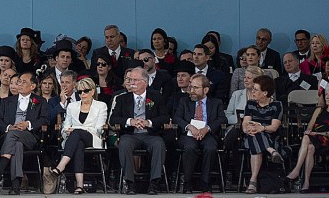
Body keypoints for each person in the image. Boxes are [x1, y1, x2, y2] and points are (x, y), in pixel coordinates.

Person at [42, 77, 107, 196]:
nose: (82, 94)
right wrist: (68, 131)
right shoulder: (72, 106)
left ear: (92, 91)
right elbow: (66, 126)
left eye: (85, 91)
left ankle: (60, 166)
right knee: (78, 145)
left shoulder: (101, 106)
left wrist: (77, 130)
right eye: (80, 92)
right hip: (74, 140)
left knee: (77, 134)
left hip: (92, 138)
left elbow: (98, 128)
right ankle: (79, 185)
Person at [0, 72, 48, 195]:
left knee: (15, 138)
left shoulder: (40, 101)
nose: (19, 84)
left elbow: (44, 119)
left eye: (23, 82)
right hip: (9, 136)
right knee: (17, 145)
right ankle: (15, 186)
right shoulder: (7, 101)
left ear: (32, 86)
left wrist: (28, 124)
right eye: (19, 81)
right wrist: (9, 127)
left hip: (30, 137)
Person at [285, 80, 329, 193]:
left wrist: (316, 134)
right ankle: (306, 183)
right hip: (313, 141)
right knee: (309, 146)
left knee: (307, 138)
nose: (327, 97)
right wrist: (312, 134)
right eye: (326, 95)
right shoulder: (319, 110)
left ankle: (296, 170)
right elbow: (309, 129)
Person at [111, 66, 166, 194]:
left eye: (135, 80)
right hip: (131, 135)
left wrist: (149, 122)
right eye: (130, 80)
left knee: (159, 144)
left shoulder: (156, 96)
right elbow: (114, 119)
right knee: (124, 144)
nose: (131, 83)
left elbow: (165, 116)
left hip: (150, 134)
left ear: (145, 82)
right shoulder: (122, 98)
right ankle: (130, 183)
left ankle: (154, 183)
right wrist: (131, 121)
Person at [173, 74, 227, 192]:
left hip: (207, 134)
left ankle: (205, 182)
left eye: (196, 88)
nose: (192, 91)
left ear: (206, 90)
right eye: (191, 87)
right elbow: (177, 118)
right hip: (188, 134)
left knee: (211, 148)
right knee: (189, 147)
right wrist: (189, 127)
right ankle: (187, 182)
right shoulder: (184, 101)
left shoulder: (216, 102)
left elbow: (222, 119)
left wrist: (207, 128)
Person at [241, 74, 284, 194]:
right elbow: (245, 123)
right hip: (250, 135)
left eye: (255, 89)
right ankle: (271, 151)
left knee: (257, 138)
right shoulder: (250, 104)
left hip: (271, 137)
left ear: (265, 93)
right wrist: (247, 130)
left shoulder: (277, 105)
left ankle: (252, 182)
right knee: (254, 135)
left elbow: (274, 127)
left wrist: (261, 128)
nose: (252, 91)